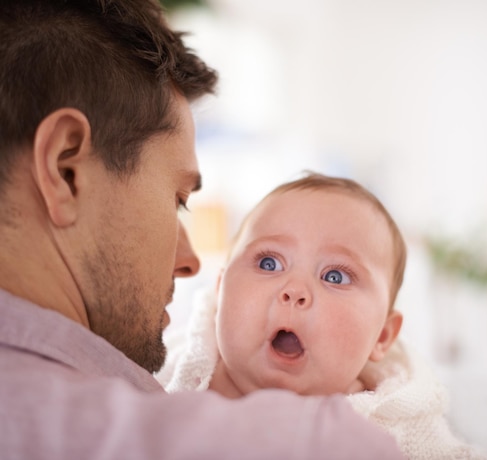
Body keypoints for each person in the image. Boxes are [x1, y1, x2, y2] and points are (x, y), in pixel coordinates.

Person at [0, 2, 405, 459]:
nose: (190, 259)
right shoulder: (319, 443)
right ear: (65, 169)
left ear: (384, 335)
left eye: (335, 275)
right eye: (178, 200)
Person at [158, 173, 486, 459]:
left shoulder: (389, 421)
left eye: (335, 276)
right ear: (221, 292)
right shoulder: (169, 380)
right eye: (268, 263)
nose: (295, 290)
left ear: (382, 336)